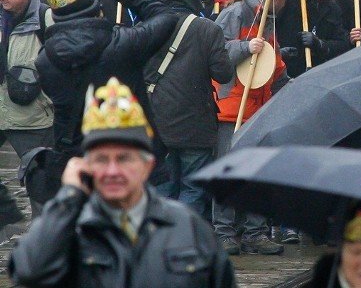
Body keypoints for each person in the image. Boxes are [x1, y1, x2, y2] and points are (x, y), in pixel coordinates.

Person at [8, 77, 236, 288]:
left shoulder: (188, 228)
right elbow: (28, 270)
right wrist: (68, 197)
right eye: (101, 159)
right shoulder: (68, 228)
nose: (113, 171)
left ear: (148, 165)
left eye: (124, 158)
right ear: (85, 166)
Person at [35, 0, 178, 158]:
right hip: (131, 153)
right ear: (98, 9)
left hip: (77, 156)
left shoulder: (44, 60)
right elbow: (165, 15)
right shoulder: (124, 43)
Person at [144, 0, 233, 217]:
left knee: (163, 186)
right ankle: (183, 240)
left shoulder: (148, 24)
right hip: (196, 122)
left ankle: (159, 239)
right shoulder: (208, 29)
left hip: (157, 121)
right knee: (193, 188)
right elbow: (223, 74)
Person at [214, 0, 287, 255]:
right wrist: (245, 46)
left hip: (258, 107)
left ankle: (254, 232)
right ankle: (224, 232)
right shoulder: (234, 14)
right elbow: (216, 51)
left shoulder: (270, 21)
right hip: (231, 106)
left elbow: (273, 65)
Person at [0, 0, 54, 219]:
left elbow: (60, 64)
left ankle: (45, 241)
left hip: (32, 116)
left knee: (40, 183)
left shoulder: (45, 17)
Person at [277, 0, 349, 78]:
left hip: (316, 76)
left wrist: (320, 44)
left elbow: (341, 43)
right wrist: (278, 52)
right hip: (284, 74)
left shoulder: (333, 7)